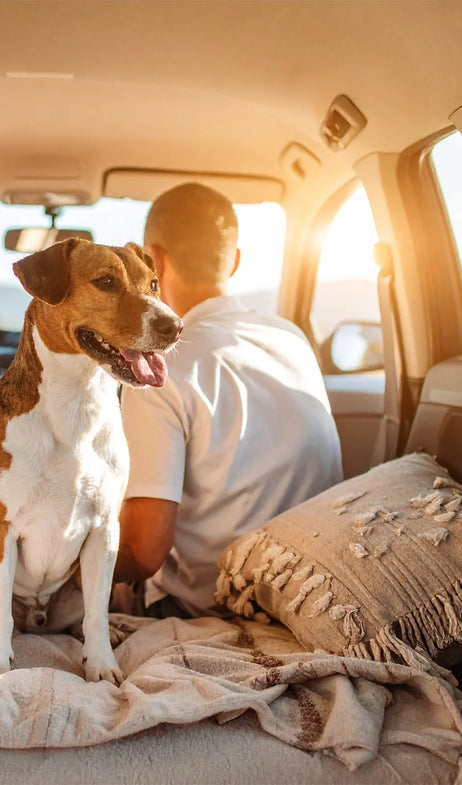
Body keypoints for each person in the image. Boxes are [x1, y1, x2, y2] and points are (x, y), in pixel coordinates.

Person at [113, 182, 343, 618]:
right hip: (311, 595)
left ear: (152, 261)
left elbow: (143, 553)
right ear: (234, 261)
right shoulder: (290, 337)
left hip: (207, 607)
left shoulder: (159, 370)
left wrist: (57, 568)